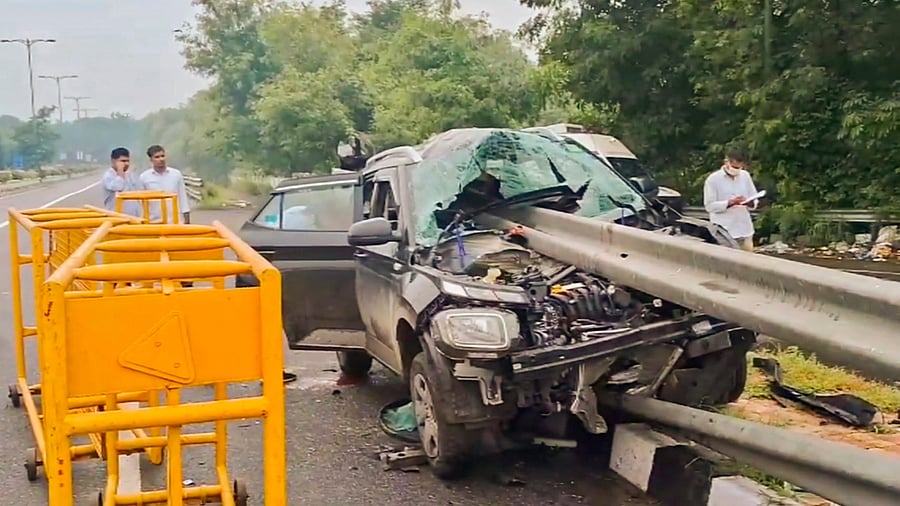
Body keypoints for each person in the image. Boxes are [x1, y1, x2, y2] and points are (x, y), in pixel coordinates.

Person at [703, 148, 760, 252]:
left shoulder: (745, 176)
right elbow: (709, 206)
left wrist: (750, 202)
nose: (736, 170)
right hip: (725, 232)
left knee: (748, 262)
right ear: (726, 162)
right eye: (734, 167)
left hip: (745, 229)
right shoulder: (713, 179)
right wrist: (730, 203)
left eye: (739, 167)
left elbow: (754, 197)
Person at [139, 145, 191, 224]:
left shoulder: (176, 174)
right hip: (154, 221)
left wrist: (186, 218)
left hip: (175, 221)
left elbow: (182, 196)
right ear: (151, 159)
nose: (161, 159)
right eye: (157, 157)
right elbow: (141, 202)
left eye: (162, 156)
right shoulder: (144, 177)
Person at [101, 147, 141, 216]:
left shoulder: (129, 175)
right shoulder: (108, 176)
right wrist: (120, 171)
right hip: (117, 218)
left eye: (127, 161)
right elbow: (119, 187)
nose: (126, 164)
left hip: (133, 217)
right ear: (113, 161)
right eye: (122, 161)